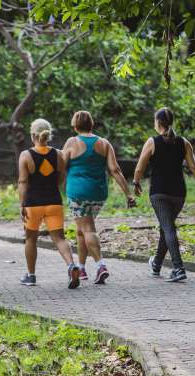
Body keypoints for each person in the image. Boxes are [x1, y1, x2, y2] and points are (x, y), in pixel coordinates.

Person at [132, 107, 195, 283]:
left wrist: (136, 183)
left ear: (157, 122)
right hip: (178, 193)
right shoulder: (184, 143)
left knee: (168, 228)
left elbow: (139, 167)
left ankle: (178, 268)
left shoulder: (152, 142)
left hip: (159, 193)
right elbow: (194, 168)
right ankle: (157, 264)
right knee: (166, 228)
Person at [63, 110, 135, 284]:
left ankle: (100, 265)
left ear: (74, 126)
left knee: (87, 229)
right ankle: (81, 268)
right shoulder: (104, 143)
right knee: (81, 229)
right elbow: (115, 170)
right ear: (91, 124)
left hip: (78, 192)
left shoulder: (72, 142)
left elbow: (60, 166)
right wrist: (128, 193)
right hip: (98, 192)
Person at [17, 118, 80, 289]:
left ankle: (31, 276)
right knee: (59, 238)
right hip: (54, 202)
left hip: (33, 204)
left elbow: (23, 182)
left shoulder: (26, 155)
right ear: (48, 134)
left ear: (32, 135)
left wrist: (22, 204)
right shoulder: (59, 154)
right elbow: (61, 179)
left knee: (31, 239)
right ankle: (71, 265)